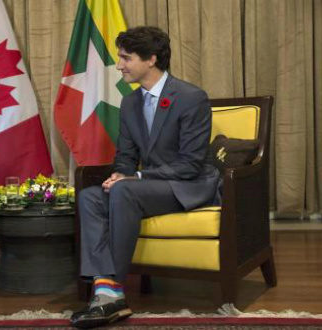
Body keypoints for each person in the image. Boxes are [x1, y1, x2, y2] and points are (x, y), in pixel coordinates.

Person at [70, 26, 221, 329]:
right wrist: (119, 175)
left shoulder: (192, 98)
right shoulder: (129, 102)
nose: (119, 65)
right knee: (90, 196)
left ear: (151, 59)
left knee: (125, 193)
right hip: (149, 185)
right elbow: (125, 155)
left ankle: (111, 291)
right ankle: (105, 289)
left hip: (188, 186)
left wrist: (135, 177)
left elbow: (190, 164)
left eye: (126, 58)